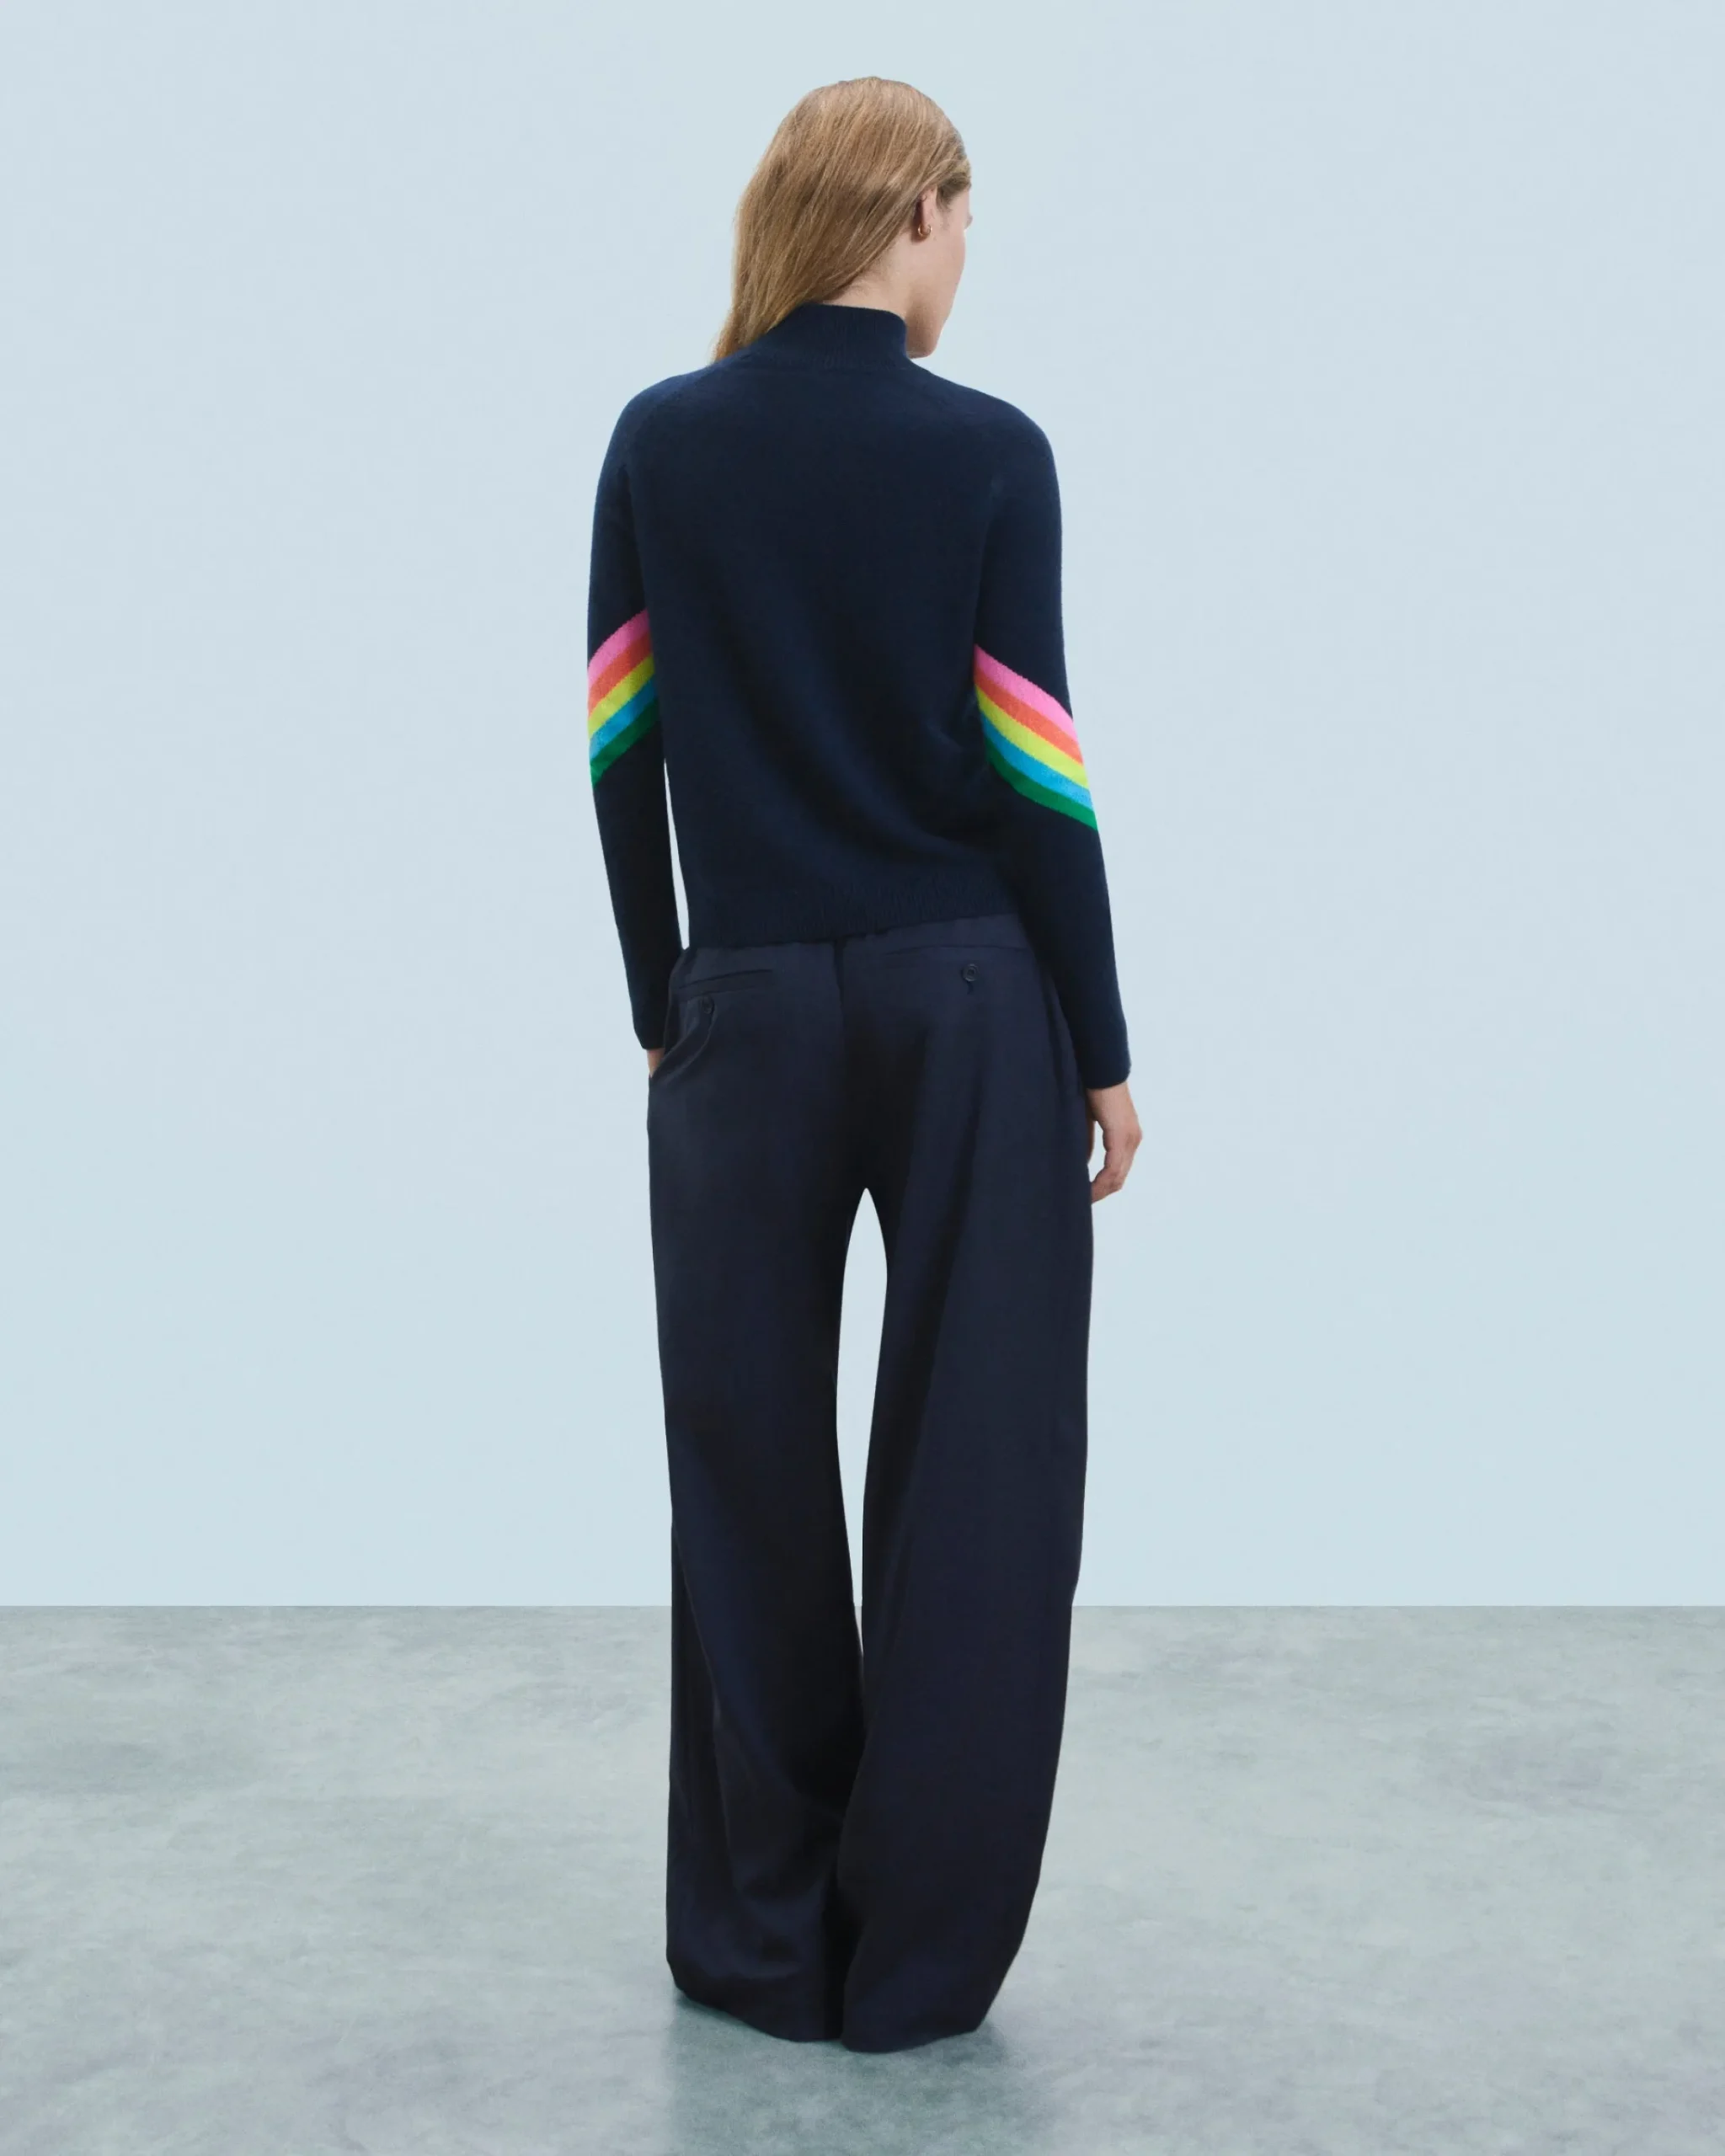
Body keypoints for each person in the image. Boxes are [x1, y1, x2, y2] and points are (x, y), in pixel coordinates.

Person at [584, 76, 1141, 2055]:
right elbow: (1033, 764)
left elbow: (619, 742)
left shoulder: (661, 439)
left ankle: (763, 1940)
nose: (967, 258)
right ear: (912, 211)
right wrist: (1101, 1044)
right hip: (968, 999)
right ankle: (916, 1961)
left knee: (742, 1459)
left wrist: (664, 993)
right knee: (981, 1466)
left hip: (743, 999)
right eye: (965, 220)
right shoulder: (988, 452)